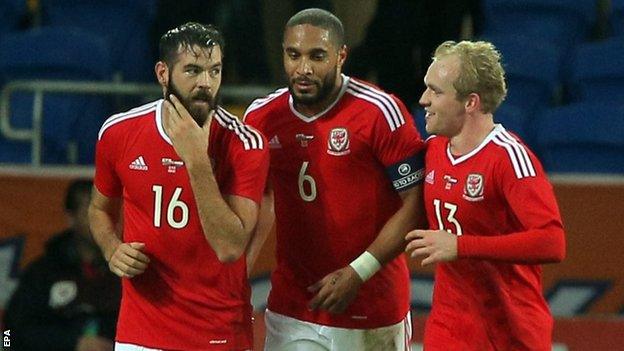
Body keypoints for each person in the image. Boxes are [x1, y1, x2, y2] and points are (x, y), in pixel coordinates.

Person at [244, 8, 426, 350]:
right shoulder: (262, 118)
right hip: (294, 306)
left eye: (317, 56)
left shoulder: (379, 112)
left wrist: (359, 271)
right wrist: (240, 267)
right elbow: (258, 196)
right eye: (293, 55)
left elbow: (418, 202)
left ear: (341, 56)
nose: (303, 69)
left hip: (372, 308)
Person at [88, 22, 269, 350]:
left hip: (217, 331)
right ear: (162, 73)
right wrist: (111, 248)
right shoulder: (118, 132)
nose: (205, 83)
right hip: (140, 331)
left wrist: (196, 161)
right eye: (193, 70)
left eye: (215, 71)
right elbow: (99, 209)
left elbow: (229, 248)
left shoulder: (244, 144)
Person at [405, 40, 566, 350]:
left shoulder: (509, 159)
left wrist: (461, 245)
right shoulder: (434, 150)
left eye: (436, 91)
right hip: (449, 327)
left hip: (509, 331)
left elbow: (552, 241)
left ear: (470, 103)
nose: (424, 100)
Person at [4, 179, 120, 351]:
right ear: (70, 218)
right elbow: (10, 331)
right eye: (91, 211)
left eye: (105, 211)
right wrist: (73, 343)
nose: (99, 220)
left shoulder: (121, 269)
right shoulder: (44, 271)